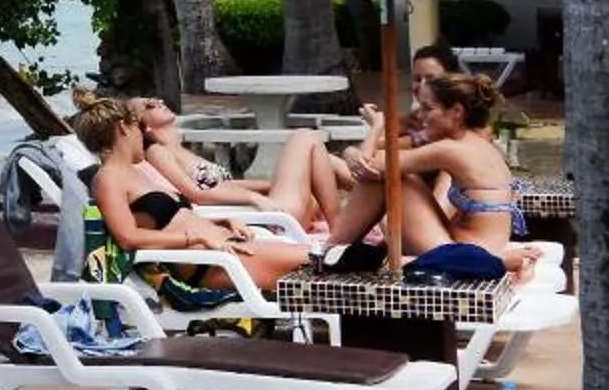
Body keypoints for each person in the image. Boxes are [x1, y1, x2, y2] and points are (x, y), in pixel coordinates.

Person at [70, 96, 315, 306]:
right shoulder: (108, 178)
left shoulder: (134, 172)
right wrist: (196, 238)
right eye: (138, 129)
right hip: (207, 261)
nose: (142, 136)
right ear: (124, 128)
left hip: (221, 247)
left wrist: (223, 219)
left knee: (327, 264)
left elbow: (175, 216)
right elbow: (128, 238)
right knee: (321, 263)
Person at [335, 70, 541, 276]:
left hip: (464, 255)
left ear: (457, 112)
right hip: (472, 247)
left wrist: (378, 125)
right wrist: (352, 152)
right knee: (401, 176)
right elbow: (384, 152)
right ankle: (336, 246)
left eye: (428, 108)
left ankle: (332, 246)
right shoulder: (474, 143)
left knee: (393, 178)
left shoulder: (449, 150)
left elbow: (370, 164)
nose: (420, 116)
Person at [130, 94, 340, 233]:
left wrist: (273, 184)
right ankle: (340, 231)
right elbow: (195, 195)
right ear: (144, 126)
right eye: (150, 105)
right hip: (263, 219)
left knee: (324, 162)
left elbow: (225, 187)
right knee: (304, 137)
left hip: (271, 212)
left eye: (156, 99)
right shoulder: (157, 152)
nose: (159, 101)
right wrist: (256, 197)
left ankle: (363, 204)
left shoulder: (178, 151)